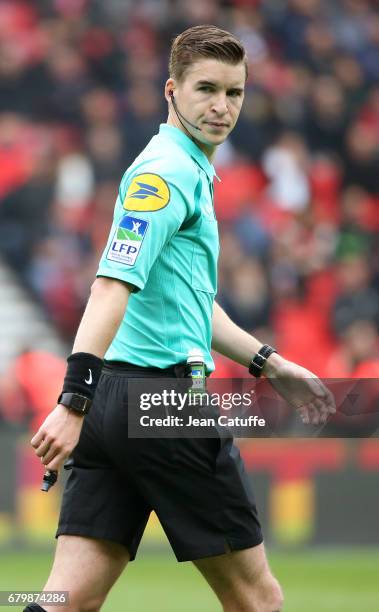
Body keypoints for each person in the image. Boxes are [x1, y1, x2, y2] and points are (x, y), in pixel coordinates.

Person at [27, 25, 335, 612]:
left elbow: (191, 304)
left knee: (67, 598)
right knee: (259, 600)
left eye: (234, 92)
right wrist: (70, 401)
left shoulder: (182, 168)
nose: (222, 107)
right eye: (205, 89)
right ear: (171, 91)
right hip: (162, 403)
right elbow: (111, 283)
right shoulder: (165, 174)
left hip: (114, 407)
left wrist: (270, 363)